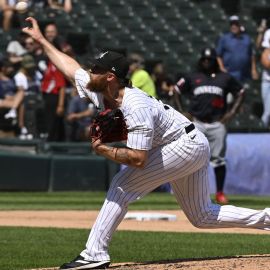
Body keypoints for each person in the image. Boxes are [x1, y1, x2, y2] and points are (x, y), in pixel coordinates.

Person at [23, 17, 270, 270]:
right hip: (189, 142)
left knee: (121, 185)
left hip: (185, 144)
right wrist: (43, 41)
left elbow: (139, 159)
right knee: (202, 216)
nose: (90, 72)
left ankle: (94, 254)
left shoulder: (135, 106)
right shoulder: (101, 91)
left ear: (110, 77)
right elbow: (70, 67)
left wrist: (103, 149)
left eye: (96, 69)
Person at [175, 47, 245, 204]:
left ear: (215, 61)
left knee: (218, 159)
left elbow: (241, 91)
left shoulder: (225, 78)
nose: (207, 62)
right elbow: (176, 90)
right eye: (204, 59)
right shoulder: (193, 76)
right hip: (196, 123)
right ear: (201, 60)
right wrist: (182, 111)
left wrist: (231, 113)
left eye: (210, 60)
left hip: (217, 123)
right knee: (190, 157)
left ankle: (219, 192)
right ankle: (188, 192)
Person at [216, 15, 259, 84]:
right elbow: (218, 55)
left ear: (240, 25)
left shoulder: (247, 38)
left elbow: (251, 55)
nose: (234, 26)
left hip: (245, 74)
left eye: (236, 24)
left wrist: (253, 70)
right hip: (230, 73)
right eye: (232, 24)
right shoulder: (224, 38)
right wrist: (221, 67)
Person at [259, 32, 270, 128]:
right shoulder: (268, 33)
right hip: (267, 80)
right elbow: (265, 63)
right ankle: (264, 130)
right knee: (267, 111)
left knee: (268, 111)